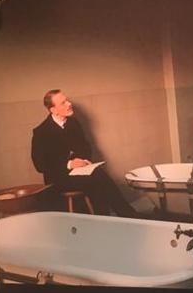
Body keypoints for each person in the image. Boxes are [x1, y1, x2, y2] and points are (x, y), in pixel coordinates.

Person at [31, 89, 137, 217]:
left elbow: (86, 147)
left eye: (67, 100)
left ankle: (107, 218)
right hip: (58, 179)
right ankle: (127, 215)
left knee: (97, 177)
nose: (69, 104)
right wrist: (70, 164)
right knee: (98, 177)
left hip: (80, 171)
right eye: (63, 103)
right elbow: (40, 165)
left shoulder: (73, 123)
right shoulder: (41, 131)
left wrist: (84, 160)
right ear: (53, 110)